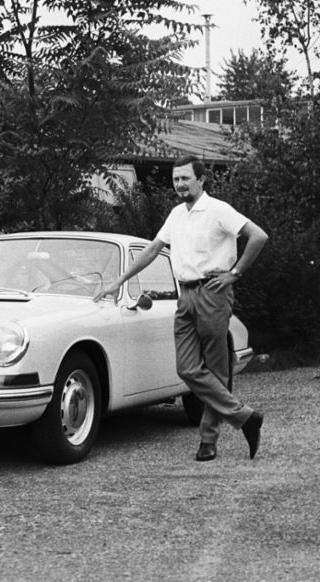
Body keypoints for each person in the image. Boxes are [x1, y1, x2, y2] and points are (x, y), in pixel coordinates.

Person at [94, 155, 269, 462]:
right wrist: (119, 281)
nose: (180, 184)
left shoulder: (218, 210)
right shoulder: (176, 214)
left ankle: (208, 441)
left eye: (186, 178)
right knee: (186, 368)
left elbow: (258, 236)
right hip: (184, 296)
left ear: (201, 180)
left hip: (213, 293)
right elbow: (152, 250)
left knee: (215, 370)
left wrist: (235, 274)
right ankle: (244, 417)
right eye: (176, 179)